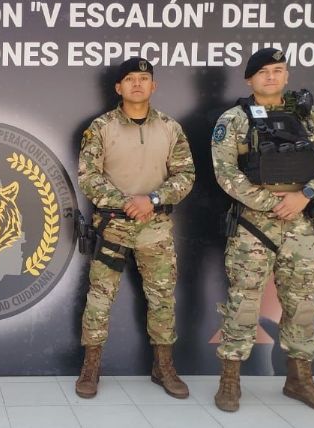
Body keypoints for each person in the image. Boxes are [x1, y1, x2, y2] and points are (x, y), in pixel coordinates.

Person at [211, 47, 314, 413]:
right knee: (243, 304)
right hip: (253, 225)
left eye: (278, 70)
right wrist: (272, 203)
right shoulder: (235, 119)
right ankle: (230, 379)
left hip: (299, 223)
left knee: (302, 305)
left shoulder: (309, 116)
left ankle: (299, 379)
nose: (271, 77)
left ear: (286, 75)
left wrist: (305, 196)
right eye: (263, 72)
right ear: (250, 79)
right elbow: (225, 174)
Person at [75, 57, 196, 399]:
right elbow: (88, 176)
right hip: (113, 227)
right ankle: (91, 367)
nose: (138, 84)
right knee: (99, 299)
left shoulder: (170, 128)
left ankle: (164, 367)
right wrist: (128, 202)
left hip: (155, 228)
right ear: (119, 87)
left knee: (161, 300)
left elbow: (186, 175)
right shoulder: (100, 128)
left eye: (144, 78)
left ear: (154, 86)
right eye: (130, 79)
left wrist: (153, 199)